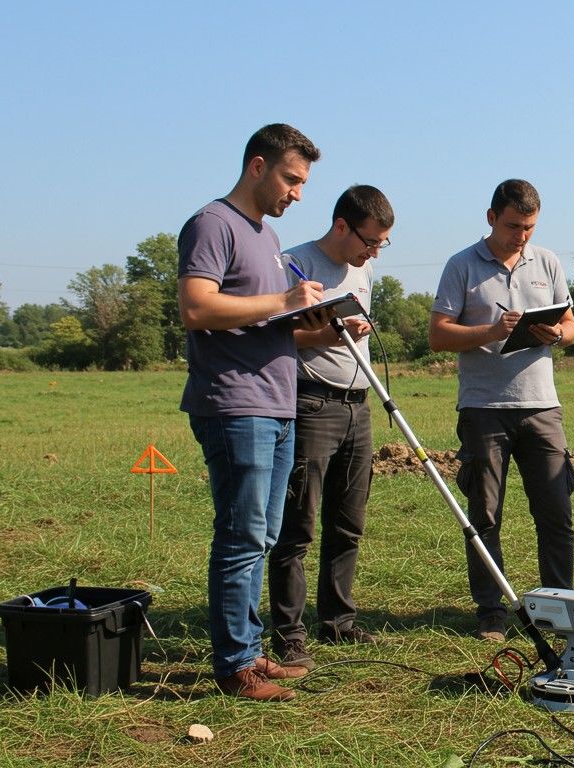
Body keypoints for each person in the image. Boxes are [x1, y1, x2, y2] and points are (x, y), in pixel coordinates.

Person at [177, 123, 326, 702]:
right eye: (291, 179)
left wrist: (317, 328)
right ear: (258, 166)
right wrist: (287, 301)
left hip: (277, 402)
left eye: (304, 183)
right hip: (235, 404)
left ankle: (251, 651)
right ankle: (235, 666)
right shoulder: (212, 224)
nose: (297, 193)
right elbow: (197, 306)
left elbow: (264, 322)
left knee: (261, 534)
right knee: (241, 536)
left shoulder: (264, 237)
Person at [428, 179, 574, 642]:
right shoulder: (461, 265)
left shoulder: (548, 261)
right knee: (485, 514)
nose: (522, 236)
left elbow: (571, 324)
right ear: (491, 217)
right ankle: (491, 611)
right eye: (514, 226)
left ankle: (558, 606)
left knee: (555, 510)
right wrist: (491, 332)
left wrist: (556, 335)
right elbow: (438, 335)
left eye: (530, 227)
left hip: (542, 407)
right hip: (484, 409)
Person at [268, 185, 394, 669]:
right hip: (310, 403)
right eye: (370, 240)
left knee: (349, 522)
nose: (374, 251)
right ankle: (289, 633)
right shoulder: (292, 263)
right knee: (297, 524)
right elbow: (275, 333)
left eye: (383, 243)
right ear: (342, 225)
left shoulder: (364, 268)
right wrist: (325, 332)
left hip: (358, 404)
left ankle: (338, 620)